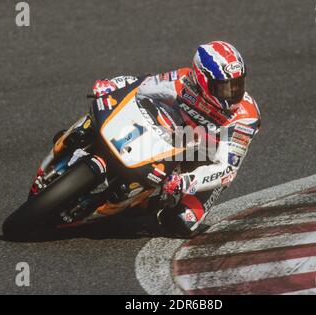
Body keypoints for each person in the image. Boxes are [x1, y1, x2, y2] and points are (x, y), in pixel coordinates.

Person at [92, 41, 261, 236]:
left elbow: (226, 170)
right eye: (224, 87)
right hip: (170, 135)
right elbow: (141, 85)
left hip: (203, 161)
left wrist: (185, 181)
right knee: (105, 106)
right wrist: (113, 84)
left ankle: (137, 205)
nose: (233, 93)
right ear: (201, 80)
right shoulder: (182, 81)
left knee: (182, 223)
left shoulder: (246, 116)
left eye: (237, 85)